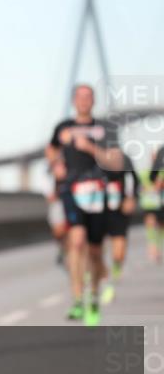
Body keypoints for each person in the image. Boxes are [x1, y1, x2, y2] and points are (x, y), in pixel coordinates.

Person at [46, 84, 123, 326]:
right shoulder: (62, 128)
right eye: (79, 97)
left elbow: (116, 161)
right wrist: (56, 164)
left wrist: (89, 147)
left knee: (95, 251)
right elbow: (51, 149)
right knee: (76, 241)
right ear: (73, 101)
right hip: (72, 190)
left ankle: (94, 296)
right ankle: (78, 299)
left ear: (93, 100)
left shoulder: (105, 129)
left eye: (88, 97)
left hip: (98, 192)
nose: (83, 101)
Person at [101, 153, 139, 304]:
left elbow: (133, 180)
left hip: (119, 208)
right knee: (97, 250)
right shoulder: (90, 155)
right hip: (97, 207)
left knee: (118, 251)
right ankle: (105, 283)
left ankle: (115, 271)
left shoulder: (123, 158)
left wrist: (131, 198)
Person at [46, 157, 70, 267]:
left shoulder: (72, 173)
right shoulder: (50, 178)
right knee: (58, 232)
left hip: (71, 204)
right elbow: (50, 197)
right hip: (58, 206)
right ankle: (62, 248)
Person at [142, 148, 164, 264]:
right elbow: (142, 185)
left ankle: (158, 247)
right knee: (150, 224)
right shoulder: (145, 171)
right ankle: (152, 248)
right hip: (149, 203)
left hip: (161, 203)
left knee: (161, 226)